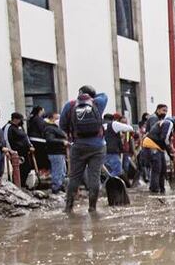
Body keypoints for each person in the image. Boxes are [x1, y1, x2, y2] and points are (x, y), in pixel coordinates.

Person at [59, 85, 108, 213]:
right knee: (94, 177)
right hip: (98, 146)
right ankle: (92, 207)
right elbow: (104, 94)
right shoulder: (98, 102)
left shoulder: (70, 105)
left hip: (78, 146)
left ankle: (68, 207)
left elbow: (62, 126)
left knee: (74, 177)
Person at [41, 111, 69, 193]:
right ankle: (56, 188)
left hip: (60, 152)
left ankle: (60, 186)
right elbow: (50, 140)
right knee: (58, 171)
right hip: (55, 153)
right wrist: (62, 141)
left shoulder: (56, 128)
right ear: (52, 119)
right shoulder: (50, 128)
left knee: (62, 171)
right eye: (57, 118)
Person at [3, 112, 33, 186]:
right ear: (15, 119)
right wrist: (11, 152)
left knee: (27, 168)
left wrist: (30, 145)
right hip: (16, 153)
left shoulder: (19, 127)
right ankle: (17, 184)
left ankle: (22, 183)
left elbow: (25, 137)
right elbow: (6, 140)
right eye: (20, 120)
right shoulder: (8, 127)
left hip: (25, 152)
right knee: (18, 169)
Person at [102, 113, 136, 178]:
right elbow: (130, 128)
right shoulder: (113, 124)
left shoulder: (100, 125)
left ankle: (109, 184)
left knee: (108, 170)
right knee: (118, 170)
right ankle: (109, 182)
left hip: (101, 151)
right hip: (112, 151)